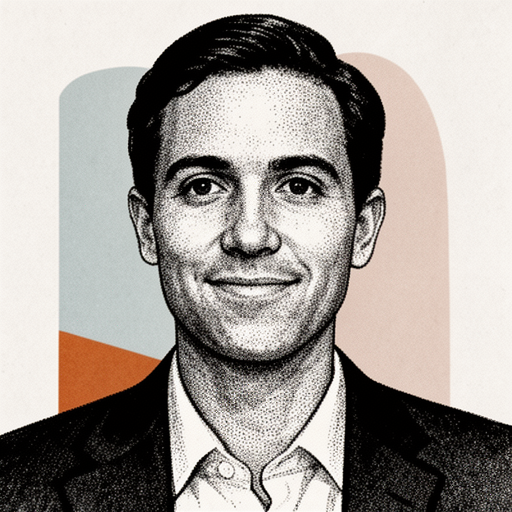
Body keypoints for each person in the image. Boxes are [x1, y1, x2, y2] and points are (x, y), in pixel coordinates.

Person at [0, 14, 510, 512]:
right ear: (147, 226)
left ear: (363, 228)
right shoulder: (11, 486)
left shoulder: (499, 482)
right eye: (203, 186)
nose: (249, 235)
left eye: (299, 186)